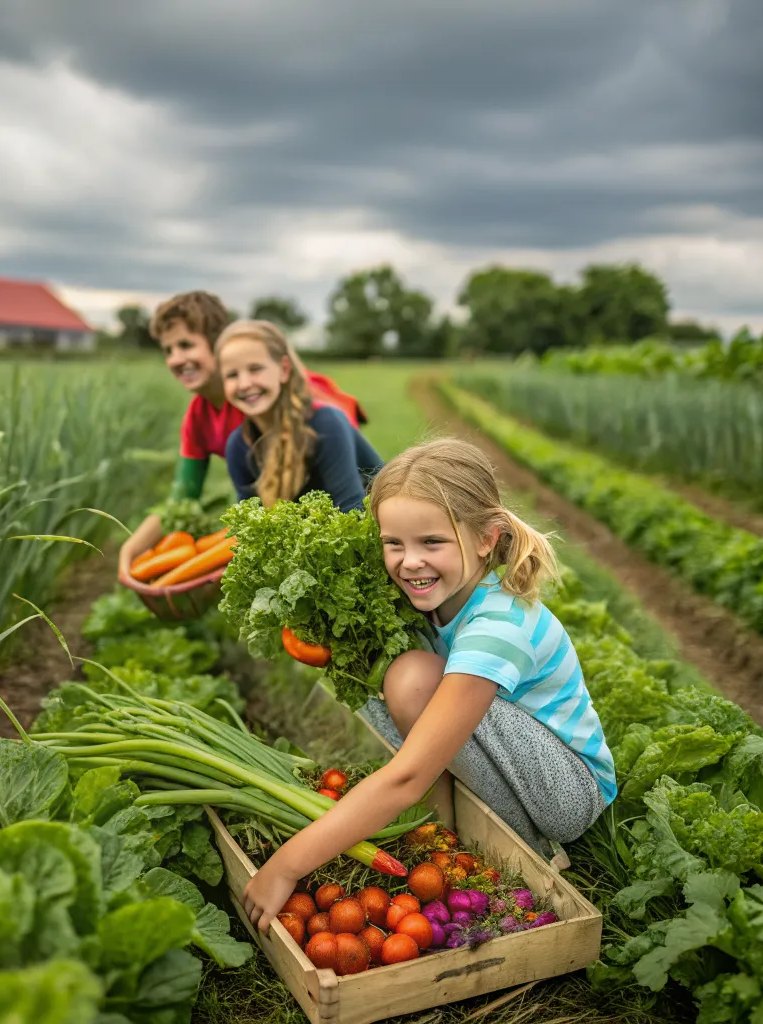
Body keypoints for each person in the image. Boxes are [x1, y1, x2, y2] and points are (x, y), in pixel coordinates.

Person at [241, 437, 617, 934]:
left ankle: (529, 847)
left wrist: (287, 865)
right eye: (393, 543)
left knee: (411, 678)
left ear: (487, 538)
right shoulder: (431, 599)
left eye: (431, 543)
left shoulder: (499, 623)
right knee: (382, 674)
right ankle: (444, 833)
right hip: (508, 763)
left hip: (566, 791)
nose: (409, 562)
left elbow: (408, 773)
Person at [117, 292, 367, 580]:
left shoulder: (289, 406)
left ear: (217, 345)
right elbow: (189, 497)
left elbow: (349, 502)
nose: (176, 359)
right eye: (168, 350)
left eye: (186, 345)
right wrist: (133, 549)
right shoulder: (216, 427)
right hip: (298, 524)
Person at [215, 320, 382, 512]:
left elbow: (353, 511)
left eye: (255, 369)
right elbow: (248, 522)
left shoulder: (326, 423)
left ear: (284, 369)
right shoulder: (238, 445)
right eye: (232, 375)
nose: (244, 384)